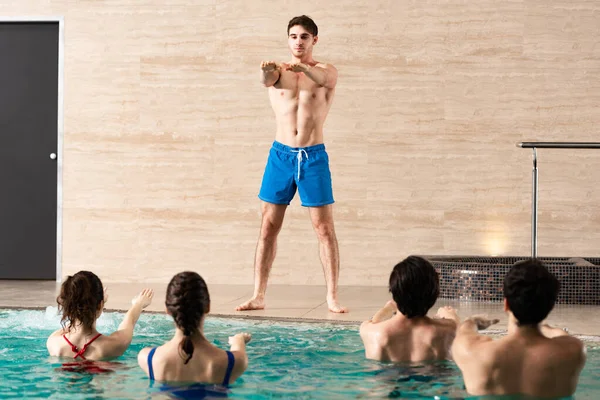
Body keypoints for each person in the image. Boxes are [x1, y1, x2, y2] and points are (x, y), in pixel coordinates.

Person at [236, 15, 347, 313]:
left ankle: (332, 297)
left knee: (324, 228)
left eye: (305, 37)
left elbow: (326, 80)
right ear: (288, 39)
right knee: (268, 226)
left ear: (315, 40)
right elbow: (266, 81)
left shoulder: (325, 71)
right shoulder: (278, 73)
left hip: (313, 157)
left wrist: (306, 71)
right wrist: (265, 71)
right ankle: (258, 295)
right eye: (294, 36)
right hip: (281, 156)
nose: (299, 42)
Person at [450, 259, 587, 398]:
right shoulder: (573, 351)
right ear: (550, 306)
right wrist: (543, 327)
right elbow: (561, 335)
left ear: (506, 304)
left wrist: (473, 321)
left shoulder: (472, 351)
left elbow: (464, 330)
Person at [138, 271, 251, 385]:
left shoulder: (148, 358)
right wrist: (238, 340)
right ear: (208, 307)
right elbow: (237, 353)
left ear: (167, 310)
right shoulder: (232, 362)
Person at [359, 256, 459, 362]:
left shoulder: (370, 332)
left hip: (389, 376)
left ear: (394, 292)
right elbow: (458, 326)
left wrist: (387, 309)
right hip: (432, 376)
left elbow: (375, 321)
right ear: (434, 294)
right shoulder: (448, 330)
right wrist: (449, 314)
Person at [47, 270, 154, 361]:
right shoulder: (112, 345)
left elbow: (74, 319)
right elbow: (129, 322)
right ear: (99, 305)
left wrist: (97, 304)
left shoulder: (53, 343)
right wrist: (138, 303)